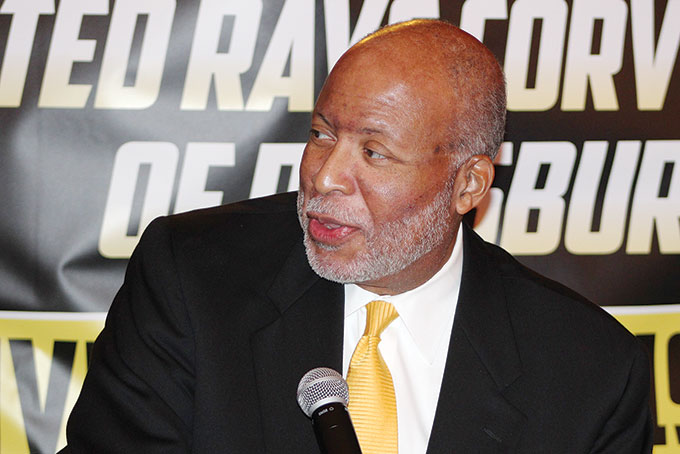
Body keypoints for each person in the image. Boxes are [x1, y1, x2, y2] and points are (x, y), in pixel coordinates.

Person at [59, 19, 652, 453]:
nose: (325, 176)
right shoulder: (193, 280)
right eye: (321, 134)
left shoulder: (589, 371)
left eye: (374, 152)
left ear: (468, 184)